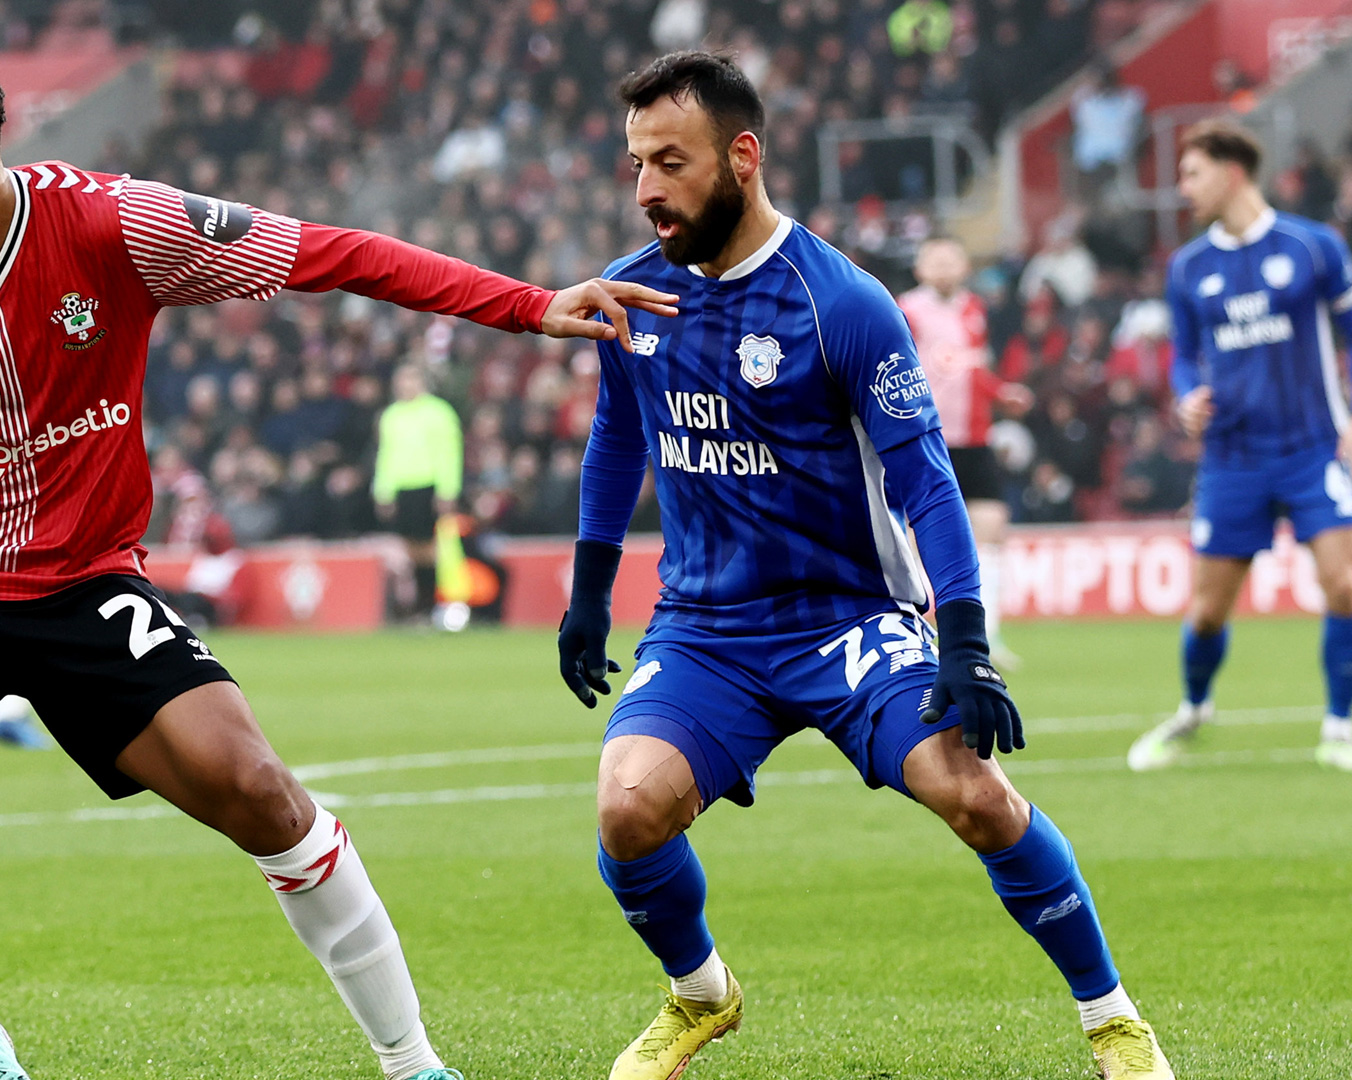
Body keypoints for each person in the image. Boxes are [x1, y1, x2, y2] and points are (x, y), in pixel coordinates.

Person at [0, 38, 677, 1080]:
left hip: (82, 579)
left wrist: (523, 305)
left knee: (258, 788)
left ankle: (415, 1064)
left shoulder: (116, 224)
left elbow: (331, 254)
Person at [554, 52, 1173, 1080]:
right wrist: (587, 594)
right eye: (634, 165)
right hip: (707, 630)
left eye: (670, 161)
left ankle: (1113, 1017)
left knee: (973, 794)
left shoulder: (841, 302)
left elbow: (926, 481)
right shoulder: (636, 294)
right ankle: (700, 995)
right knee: (627, 809)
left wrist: (966, 642)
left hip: (847, 622)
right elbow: (618, 438)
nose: (646, 189)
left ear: (742, 158)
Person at [1129, 119, 1352, 773]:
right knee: (1206, 611)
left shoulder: (1313, 247)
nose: (1183, 188)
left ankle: (1340, 723)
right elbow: (1184, 360)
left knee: (1344, 584)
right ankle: (1195, 707)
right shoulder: (1189, 266)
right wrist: (1186, 396)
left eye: (1192, 173)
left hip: (1311, 448)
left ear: (1233, 172)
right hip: (1231, 458)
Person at [899, 236, 1033, 665]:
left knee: (991, 527)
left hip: (974, 437)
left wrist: (1001, 392)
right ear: (920, 268)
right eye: (933, 260)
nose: (942, 267)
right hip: (925, 436)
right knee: (917, 539)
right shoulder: (905, 310)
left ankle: (989, 635)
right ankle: (917, 630)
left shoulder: (975, 308)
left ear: (964, 266)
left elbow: (972, 370)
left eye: (950, 259)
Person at [372, 363, 465, 627]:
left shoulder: (439, 412)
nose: (405, 385)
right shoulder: (391, 415)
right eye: (401, 380)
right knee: (409, 549)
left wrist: (448, 489)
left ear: (421, 382)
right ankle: (415, 608)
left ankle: (432, 605)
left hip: (429, 487)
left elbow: (450, 453)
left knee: (430, 549)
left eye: (410, 379)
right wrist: (383, 491)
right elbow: (386, 456)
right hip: (402, 489)